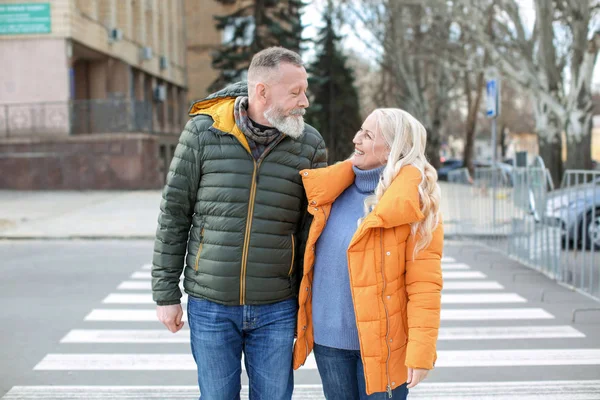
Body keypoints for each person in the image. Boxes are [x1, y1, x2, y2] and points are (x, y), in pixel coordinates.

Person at [151, 47, 327, 400]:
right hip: (210, 305)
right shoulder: (203, 132)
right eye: (295, 92)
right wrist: (165, 294)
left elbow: (313, 233)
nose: (304, 101)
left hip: (277, 307)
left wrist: (311, 303)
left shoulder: (310, 146)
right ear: (262, 92)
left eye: (304, 90)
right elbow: (174, 214)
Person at [292, 108, 443, 399]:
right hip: (329, 344)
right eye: (360, 131)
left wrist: (421, 353)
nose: (355, 139)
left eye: (368, 135)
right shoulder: (331, 193)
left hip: (383, 346)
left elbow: (425, 286)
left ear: (392, 149)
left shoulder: (413, 203)